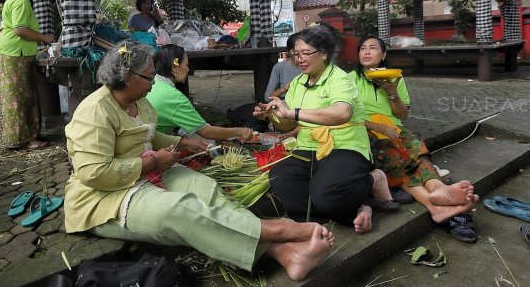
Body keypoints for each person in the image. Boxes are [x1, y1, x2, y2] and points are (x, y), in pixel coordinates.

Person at [64, 42, 334, 281]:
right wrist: (152, 163)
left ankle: (286, 254)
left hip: (147, 173)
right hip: (105, 197)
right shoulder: (95, 111)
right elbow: (94, 174)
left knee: (205, 189)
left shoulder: (140, 101)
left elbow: (146, 134)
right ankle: (278, 229)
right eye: (148, 77)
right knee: (179, 210)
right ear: (126, 77)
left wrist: (181, 142)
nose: (154, 83)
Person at [254, 25, 397, 234]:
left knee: (326, 193)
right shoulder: (298, 83)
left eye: (305, 53)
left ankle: (373, 179)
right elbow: (287, 124)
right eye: (295, 54)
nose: (299, 59)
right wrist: (273, 115)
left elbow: (341, 113)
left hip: (345, 145)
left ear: (323, 54)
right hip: (309, 147)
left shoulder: (340, 79)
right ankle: (358, 207)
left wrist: (291, 112)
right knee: (281, 178)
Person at [348, 36, 479, 223]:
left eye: (372, 48)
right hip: (366, 129)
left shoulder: (395, 77)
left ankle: (437, 189)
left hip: (394, 128)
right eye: (362, 48)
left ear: (383, 54)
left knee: (417, 147)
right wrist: (378, 127)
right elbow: (347, 116)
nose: (366, 52)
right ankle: (433, 204)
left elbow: (402, 115)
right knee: (392, 153)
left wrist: (391, 92)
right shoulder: (349, 80)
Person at [0, 0, 54, 150]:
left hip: (17, 54)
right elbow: (20, 29)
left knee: (25, 96)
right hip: (12, 54)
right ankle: (22, 139)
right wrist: (44, 37)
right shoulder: (20, 0)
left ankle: (28, 135)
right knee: (17, 99)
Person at [146, 44, 253, 141]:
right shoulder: (173, 97)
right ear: (174, 67)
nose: (188, 69)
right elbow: (207, 131)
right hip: (149, 146)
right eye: (187, 65)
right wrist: (240, 131)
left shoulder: (151, 83)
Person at [264, 33, 301, 102]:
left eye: (304, 51)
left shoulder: (310, 66)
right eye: (296, 52)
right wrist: (283, 89)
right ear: (289, 51)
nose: (300, 56)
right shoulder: (279, 68)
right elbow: (267, 97)